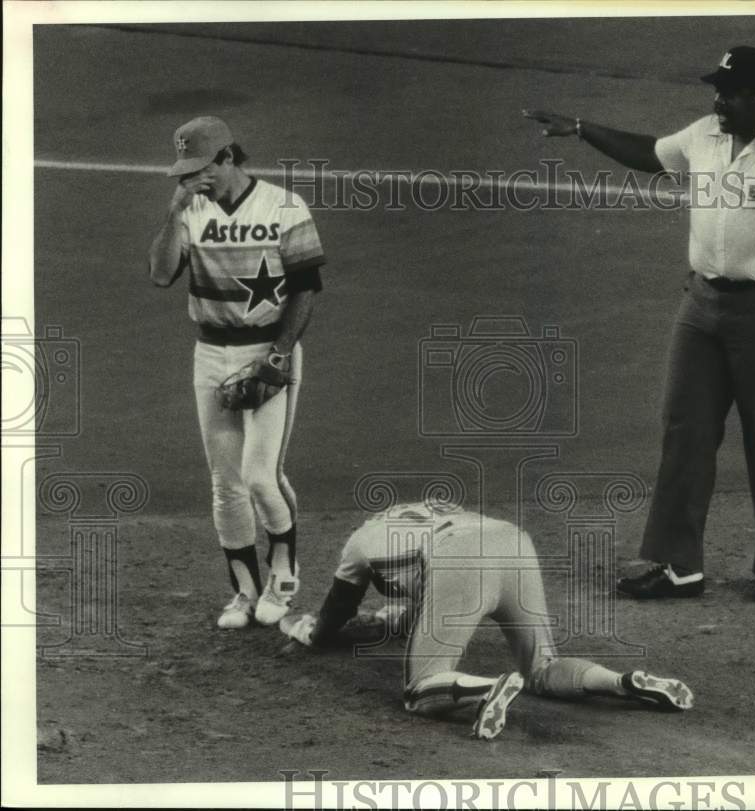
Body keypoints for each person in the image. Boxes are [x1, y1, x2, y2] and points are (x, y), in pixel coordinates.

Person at [524, 46, 755, 603]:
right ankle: (678, 566)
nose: (717, 101)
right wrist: (582, 128)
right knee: (685, 428)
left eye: (728, 93)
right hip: (703, 307)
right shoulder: (704, 135)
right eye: (716, 91)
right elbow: (651, 153)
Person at [279, 502, 694, 740]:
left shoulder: (359, 541)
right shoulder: (434, 509)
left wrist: (310, 631)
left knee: (418, 691)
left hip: (458, 559)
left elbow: (337, 609)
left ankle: (487, 688)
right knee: (543, 669)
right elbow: (428, 591)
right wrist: (400, 619)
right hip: (511, 541)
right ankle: (622, 681)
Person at [148, 116, 326, 628]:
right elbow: (161, 274)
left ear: (228, 157)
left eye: (200, 168)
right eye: (185, 171)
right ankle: (244, 593)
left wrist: (277, 357)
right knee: (225, 483)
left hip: (266, 349)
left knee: (259, 476)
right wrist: (173, 213)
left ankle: (284, 573)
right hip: (210, 353)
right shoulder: (190, 209)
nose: (191, 179)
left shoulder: (283, 206)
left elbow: (305, 288)